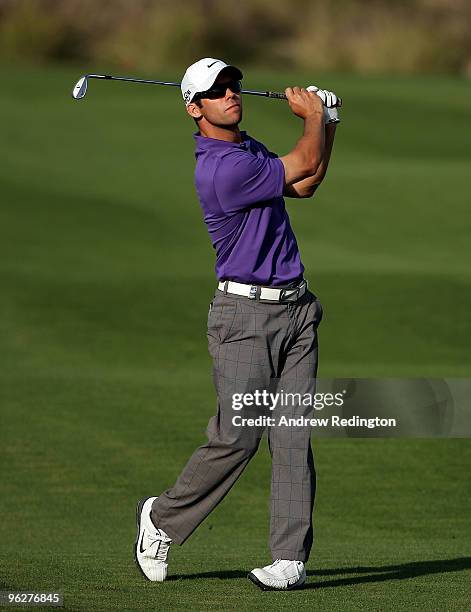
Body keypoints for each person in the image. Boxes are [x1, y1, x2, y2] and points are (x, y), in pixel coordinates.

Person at [134, 58, 339, 591]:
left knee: (293, 437)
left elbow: (307, 181)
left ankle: (289, 557)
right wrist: (313, 118)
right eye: (216, 90)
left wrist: (327, 124)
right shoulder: (221, 169)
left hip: (296, 311)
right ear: (193, 108)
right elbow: (305, 156)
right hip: (245, 319)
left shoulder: (247, 150)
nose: (230, 93)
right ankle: (161, 520)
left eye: (233, 85)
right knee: (239, 438)